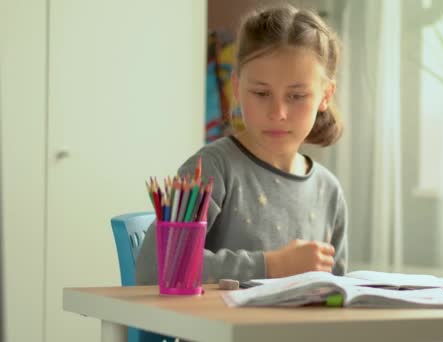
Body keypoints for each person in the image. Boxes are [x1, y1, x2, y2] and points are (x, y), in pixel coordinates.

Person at [136, 3, 347, 285]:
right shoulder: (212, 169)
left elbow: (339, 294)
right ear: (236, 88)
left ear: (325, 96)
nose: (278, 112)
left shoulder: (329, 190)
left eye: (296, 96)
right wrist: (269, 265)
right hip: (218, 330)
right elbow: (156, 266)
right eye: (261, 93)